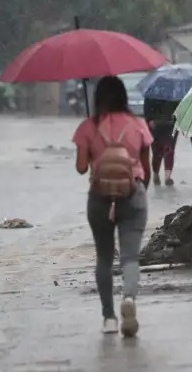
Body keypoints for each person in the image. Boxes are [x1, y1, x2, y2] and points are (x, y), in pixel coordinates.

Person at [72, 76, 152, 337]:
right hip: (132, 193)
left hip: (99, 197)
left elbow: (81, 167)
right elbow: (147, 167)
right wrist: (139, 193)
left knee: (104, 257)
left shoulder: (88, 126)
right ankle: (129, 299)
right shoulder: (138, 124)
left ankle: (108, 318)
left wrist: (94, 144)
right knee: (130, 256)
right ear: (123, 97)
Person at [144, 98, 179, 186]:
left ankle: (168, 177)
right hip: (155, 127)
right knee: (157, 153)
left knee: (169, 151)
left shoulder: (175, 94)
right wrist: (149, 120)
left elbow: (180, 109)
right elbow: (147, 110)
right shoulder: (151, 95)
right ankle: (156, 173)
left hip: (170, 125)